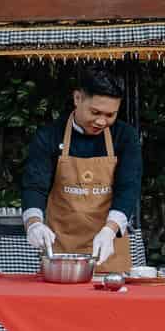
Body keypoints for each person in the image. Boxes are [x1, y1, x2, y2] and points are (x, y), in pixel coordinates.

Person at [20, 69, 140, 272]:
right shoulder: (49, 135)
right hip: (61, 250)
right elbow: (34, 185)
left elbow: (129, 187)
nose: (102, 121)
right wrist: (34, 224)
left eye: (110, 115)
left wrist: (110, 231)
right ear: (77, 98)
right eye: (95, 112)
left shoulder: (125, 136)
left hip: (108, 247)